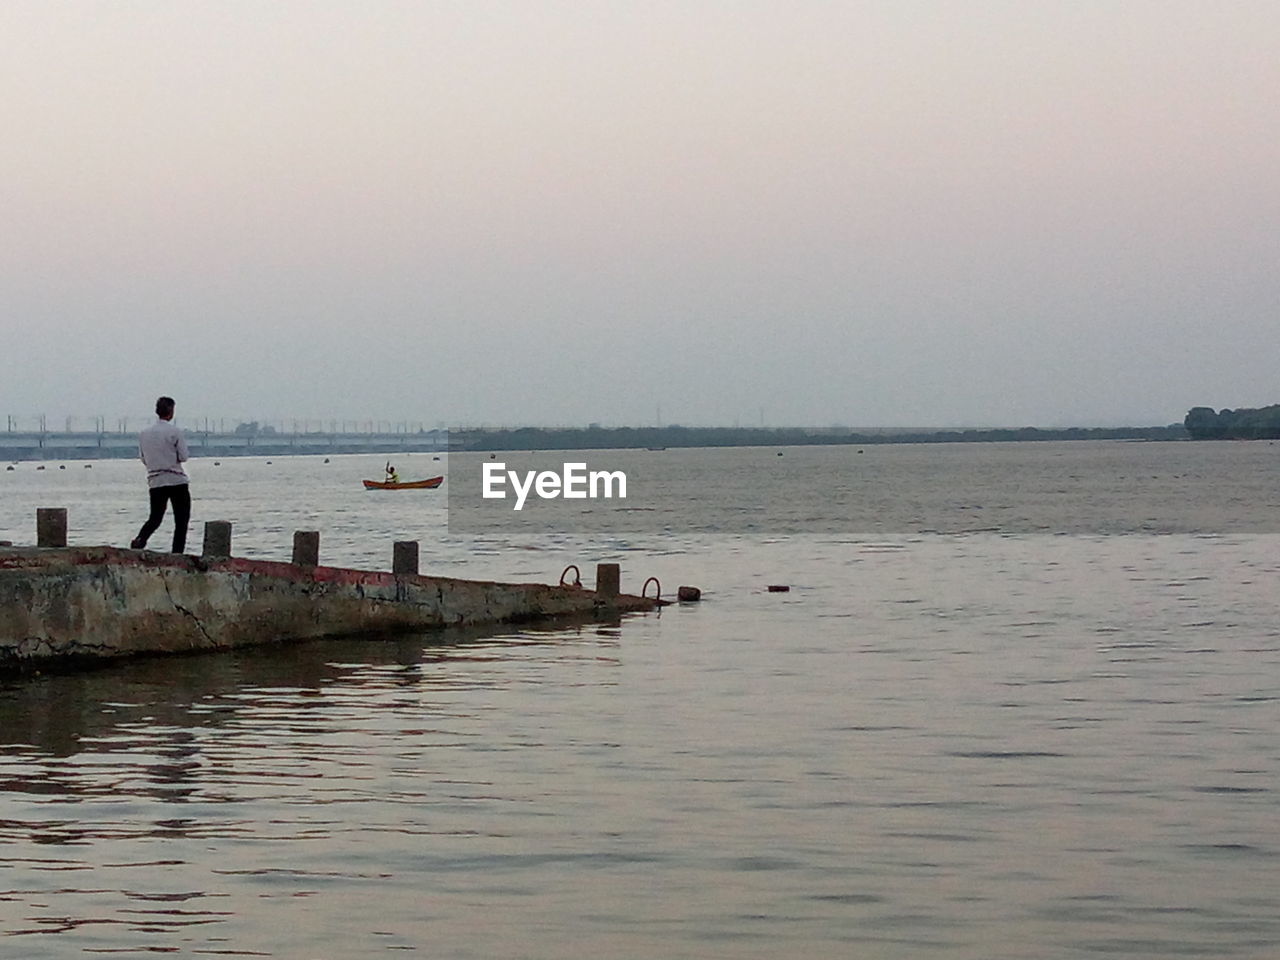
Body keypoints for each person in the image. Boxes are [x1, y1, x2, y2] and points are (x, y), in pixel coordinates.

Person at [131, 396, 191, 552]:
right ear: (171, 411)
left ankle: (140, 540)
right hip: (176, 480)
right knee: (181, 520)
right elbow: (183, 456)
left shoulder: (144, 434)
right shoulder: (174, 432)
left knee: (155, 517)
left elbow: (143, 458)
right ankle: (177, 553)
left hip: (156, 481)